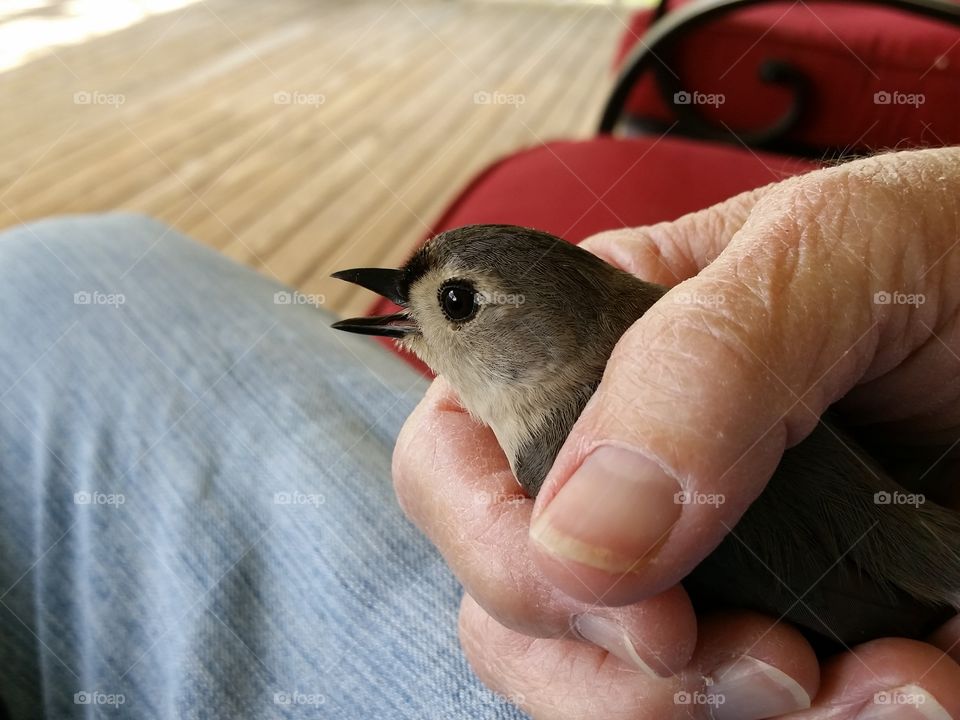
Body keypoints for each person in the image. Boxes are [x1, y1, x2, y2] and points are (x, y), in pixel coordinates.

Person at [0, 147, 957, 719]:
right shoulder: (660, 336)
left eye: (457, 303)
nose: (414, 308)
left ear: (542, 328)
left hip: (891, 616)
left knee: (41, 274)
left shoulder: (558, 450)